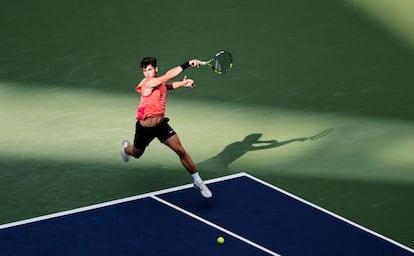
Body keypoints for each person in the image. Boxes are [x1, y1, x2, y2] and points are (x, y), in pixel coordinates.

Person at [120, 56, 212, 198]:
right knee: (137, 153)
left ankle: (198, 181)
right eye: (145, 71)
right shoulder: (147, 84)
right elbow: (168, 76)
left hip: (161, 125)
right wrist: (188, 63)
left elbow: (166, 86)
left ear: (155, 69)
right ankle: (126, 149)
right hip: (145, 128)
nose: (147, 73)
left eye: (150, 70)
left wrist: (183, 83)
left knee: (180, 151)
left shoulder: (159, 83)